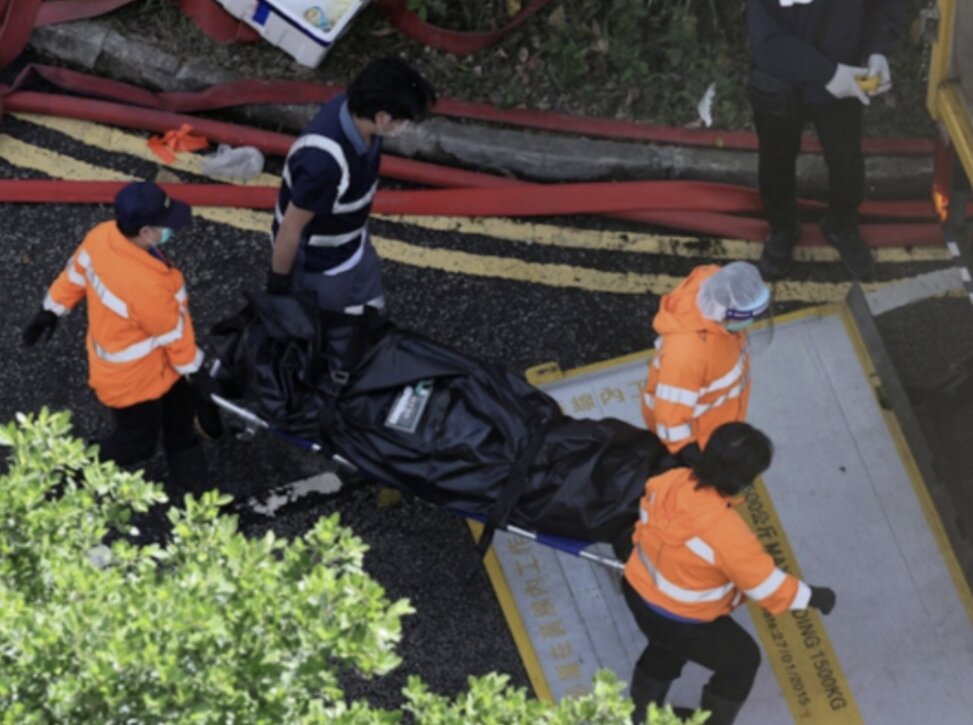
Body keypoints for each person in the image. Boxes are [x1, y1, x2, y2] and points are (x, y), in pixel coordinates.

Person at [622, 422, 836, 724]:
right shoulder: (726, 533)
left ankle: (640, 713)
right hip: (682, 620)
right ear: (744, 479)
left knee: (665, 645)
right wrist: (813, 596)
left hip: (637, 591)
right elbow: (767, 587)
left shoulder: (669, 481)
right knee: (742, 663)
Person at [21, 181, 210, 491]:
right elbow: (174, 336)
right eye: (165, 225)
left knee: (180, 412)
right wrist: (197, 370)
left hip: (147, 367)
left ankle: (192, 479)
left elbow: (76, 273)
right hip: (134, 382)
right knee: (136, 444)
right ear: (146, 231)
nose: (171, 230)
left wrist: (51, 309)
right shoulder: (148, 286)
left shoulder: (103, 236)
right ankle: (68, 468)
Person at [746, 0, 906, 281]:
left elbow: (883, 5)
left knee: (847, 162)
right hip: (779, 77)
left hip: (843, 75)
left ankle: (842, 224)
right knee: (775, 163)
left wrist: (877, 50)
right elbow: (765, 37)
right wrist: (828, 73)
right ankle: (782, 228)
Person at [267, 56, 437, 313]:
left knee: (368, 309)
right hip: (322, 267)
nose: (404, 127)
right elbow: (291, 228)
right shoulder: (324, 164)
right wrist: (278, 285)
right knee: (325, 326)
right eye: (403, 121)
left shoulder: (357, 113)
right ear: (382, 118)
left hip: (352, 245)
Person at [641, 262, 770, 467]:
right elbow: (670, 423)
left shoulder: (719, 288)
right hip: (701, 437)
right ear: (726, 315)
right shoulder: (687, 356)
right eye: (750, 317)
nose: (750, 324)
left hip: (718, 421)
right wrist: (697, 461)